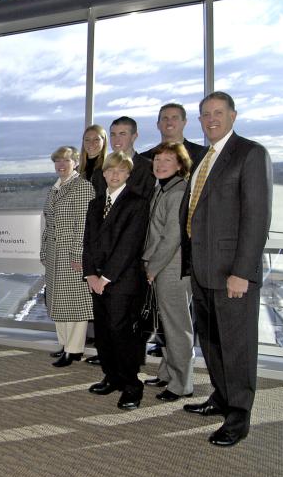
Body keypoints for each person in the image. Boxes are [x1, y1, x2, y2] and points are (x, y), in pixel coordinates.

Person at [180, 91, 272, 447]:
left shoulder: (250, 153)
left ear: (233, 116)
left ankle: (239, 416)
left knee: (237, 346)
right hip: (203, 272)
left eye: (218, 113)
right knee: (213, 343)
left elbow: (256, 217)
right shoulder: (203, 158)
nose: (211, 119)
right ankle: (220, 397)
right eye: (205, 114)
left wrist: (242, 272)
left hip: (231, 273)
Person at [82, 151, 150, 410]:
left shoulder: (137, 203)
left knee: (122, 336)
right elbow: (87, 242)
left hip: (121, 281)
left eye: (120, 171)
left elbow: (129, 245)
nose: (114, 174)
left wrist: (105, 277)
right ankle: (111, 377)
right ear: (104, 173)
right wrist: (90, 274)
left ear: (128, 175)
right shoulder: (95, 203)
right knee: (103, 333)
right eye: (110, 170)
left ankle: (132, 385)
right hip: (96, 280)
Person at [141, 142, 195, 401]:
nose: (160, 165)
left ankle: (182, 384)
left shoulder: (177, 192)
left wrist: (152, 268)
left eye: (167, 160)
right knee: (168, 325)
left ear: (180, 165)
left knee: (177, 327)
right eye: (157, 160)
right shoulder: (163, 188)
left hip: (172, 269)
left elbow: (171, 237)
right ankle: (167, 373)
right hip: (164, 266)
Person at [40, 146, 95, 367]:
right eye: (58, 161)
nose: (61, 165)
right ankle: (64, 344)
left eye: (66, 161)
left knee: (75, 303)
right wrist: (44, 250)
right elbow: (49, 223)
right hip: (55, 253)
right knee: (59, 302)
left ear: (76, 163)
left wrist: (77, 254)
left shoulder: (82, 187)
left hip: (72, 254)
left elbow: (83, 226)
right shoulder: (55, 188)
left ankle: (74, 350)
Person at [76, 125, 108, 366]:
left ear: (103, 141)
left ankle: (104, 348)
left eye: (95, 139)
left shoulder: (105, 169)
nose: (91, 143)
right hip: (83, 235)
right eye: (87, 139)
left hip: (98, 237)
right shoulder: (81, 170)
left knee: (100, 294)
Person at [92, 117, 155, 200]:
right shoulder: (100, 171)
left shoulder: (149, 169)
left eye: (122, 134)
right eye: (113, 134)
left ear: (134, 136)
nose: (116, 139)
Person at [141, 103, 207, 169]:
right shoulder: (144, 159)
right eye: (165, 118)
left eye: (174, 118)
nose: (169, 122)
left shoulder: (203, 154)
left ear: (184, 122)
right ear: (158, 125)